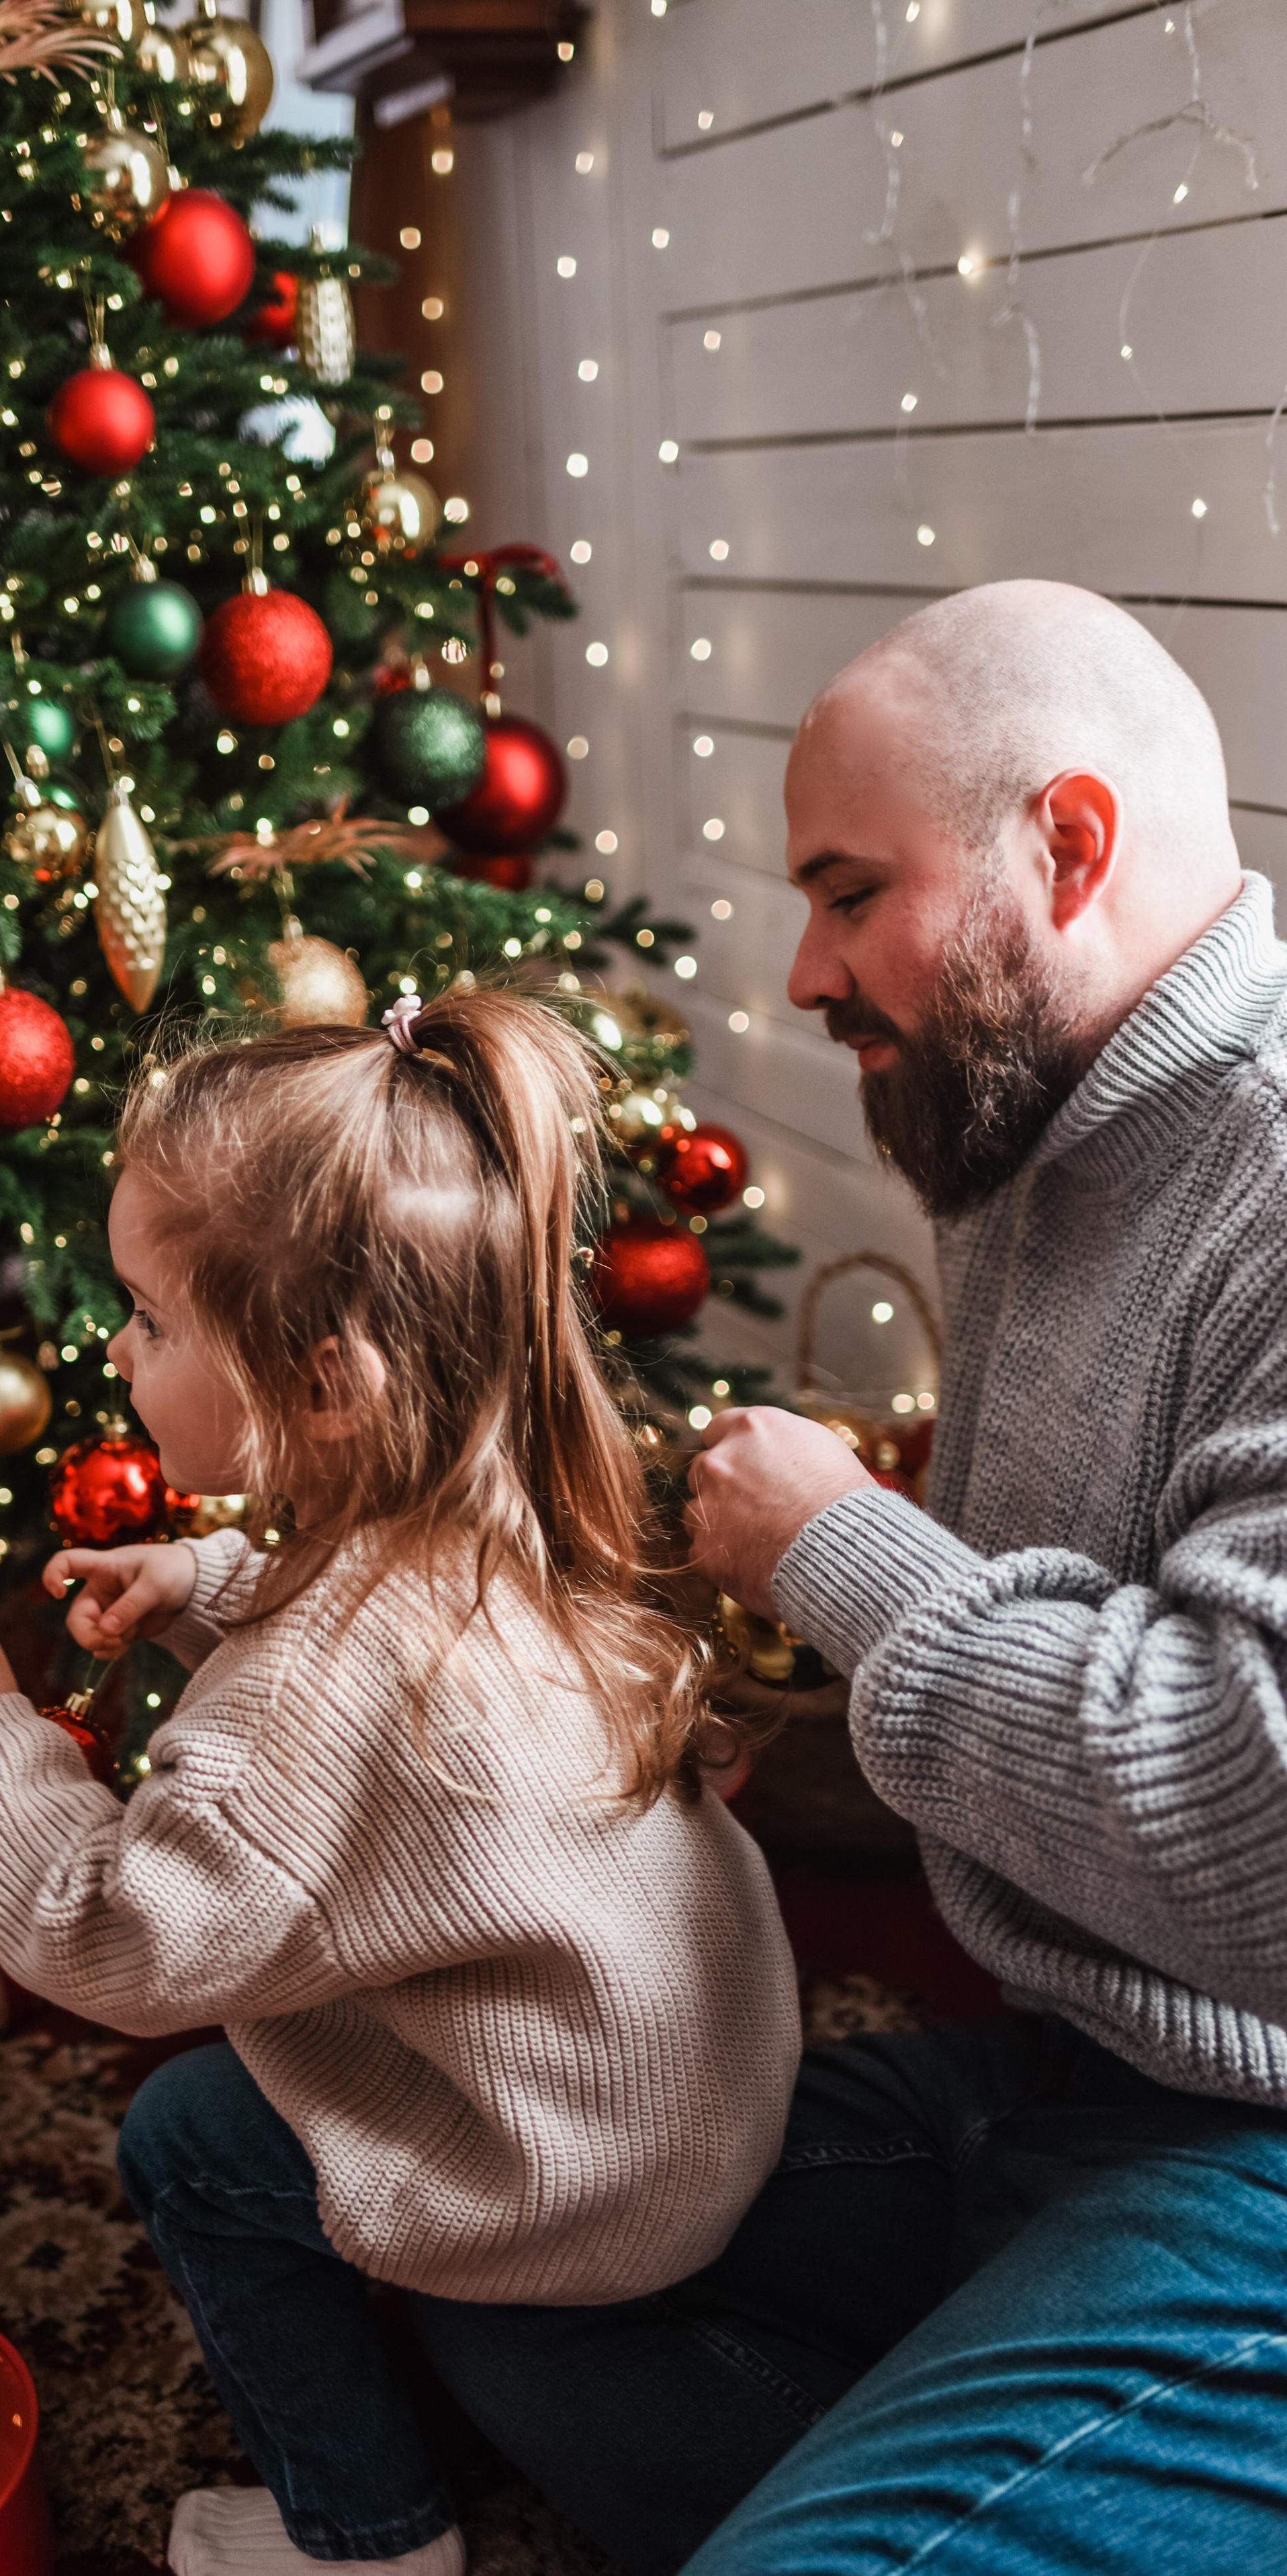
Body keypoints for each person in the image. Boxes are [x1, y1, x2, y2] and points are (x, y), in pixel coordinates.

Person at [407, 580, 1287, 2574]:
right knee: (486, 2243)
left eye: (848, 890)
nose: (805, 967)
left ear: (1066, 846)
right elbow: (1046, 1636)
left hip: (1254, 2137)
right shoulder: (1038, 1122)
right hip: (1083, 2065)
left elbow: (1262, 1824)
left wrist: (841, 1550)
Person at [0, 987, 801, 2576]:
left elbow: (112, 1937)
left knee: (188, 2137)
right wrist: (208, 1575)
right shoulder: (503, 1508)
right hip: (679, 2087)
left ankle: (362, 2539)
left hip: (572, 2183)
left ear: (325, 1381)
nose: (113, 1345)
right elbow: (353, 1622)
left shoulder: (300, 1702)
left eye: (151, 1320)